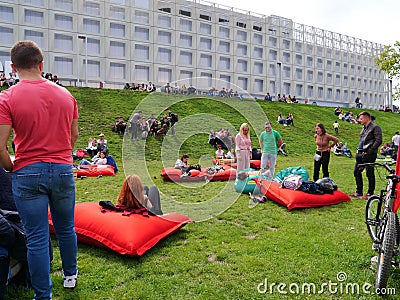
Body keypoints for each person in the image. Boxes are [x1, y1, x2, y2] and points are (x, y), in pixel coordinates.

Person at [0, 40, 79, 298]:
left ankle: (43, 294)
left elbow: (0, 146)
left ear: (13, 67)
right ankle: (70, 275)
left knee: (35, 237)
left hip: (27, 171)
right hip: (62, 169)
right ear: (41, 64)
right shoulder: (66, 95)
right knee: (66, 228)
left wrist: (13, 167)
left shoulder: (7, 97)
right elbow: (73, 137)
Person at [350, 111, 382, 199]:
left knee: (369, 173)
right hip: (360, 153)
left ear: (366, 118)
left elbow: (378, 140)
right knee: (356, 172)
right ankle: (359, 192)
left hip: (369, 154)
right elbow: (362, 140)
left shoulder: (375, 127)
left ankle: (370, 193)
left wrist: (370, 151)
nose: (359, 120)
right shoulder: (364, 128)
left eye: (361, 118)